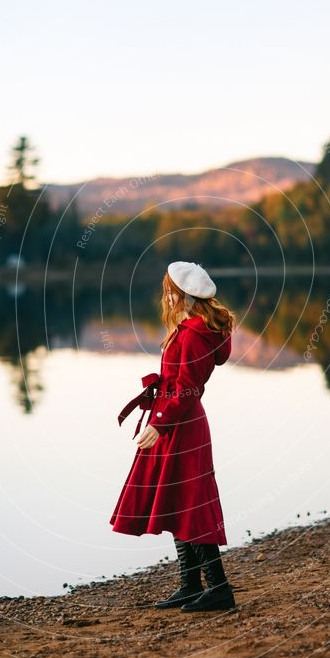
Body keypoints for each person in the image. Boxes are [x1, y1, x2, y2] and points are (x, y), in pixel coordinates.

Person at [109, 261, 236, 612]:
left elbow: (188, 388)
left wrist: (158, 423)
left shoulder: (195, 334)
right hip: (175, 422)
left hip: (182, 425)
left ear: (181, 294)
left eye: (168, 288)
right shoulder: (190, 328)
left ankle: (220, 589)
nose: (165, 294)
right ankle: (190, 584)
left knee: (192, 505)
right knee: (178, 502)